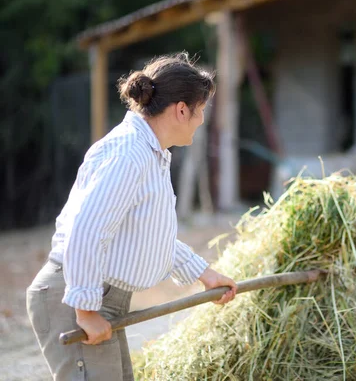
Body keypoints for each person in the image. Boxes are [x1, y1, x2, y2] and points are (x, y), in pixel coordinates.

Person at [26, 52, 238, 381]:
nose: (201, 121)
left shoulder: (151, 153)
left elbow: (146, 235)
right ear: (182, 110)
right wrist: (85, 309)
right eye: (201, 112)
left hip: (101, 299)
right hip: (74, 297)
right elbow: (88, 229)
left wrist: (204, 273)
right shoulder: (128, 153)